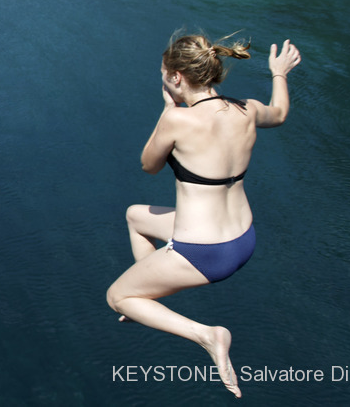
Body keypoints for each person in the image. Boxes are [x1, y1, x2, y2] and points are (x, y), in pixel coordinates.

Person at [106, 32, 301, 398]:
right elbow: (281, 113)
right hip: (242, 239)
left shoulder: (178, 120)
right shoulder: (247, 109)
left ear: (177, 77)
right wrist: (279, 73)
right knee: (136, 216)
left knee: (117, 296)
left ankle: (207, 335)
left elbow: (148, 166)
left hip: (203, 252)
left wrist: (168, 111)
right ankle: (147, 296)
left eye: (165, 74)